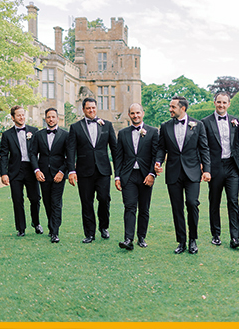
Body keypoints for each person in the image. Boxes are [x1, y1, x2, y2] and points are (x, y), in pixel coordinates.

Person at [154, 97, 210, 254]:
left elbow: (204, 148)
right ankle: (182, 241)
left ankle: (193, 239)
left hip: (193, 172)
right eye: (170, 107)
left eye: (173, 107)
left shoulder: (198, 125)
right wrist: (158, 162)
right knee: (176, 208)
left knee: (192, 203)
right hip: (173, 173)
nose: (170, 109)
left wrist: (206, 170)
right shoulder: (165, 126)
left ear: (183, 108)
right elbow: (161, 148)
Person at [66, 97, 117, 242]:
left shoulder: (106, 125)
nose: (91, 110)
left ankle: (104, 227)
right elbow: (70, 150)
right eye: (88, 108)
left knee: (104, 199)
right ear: (83, 110)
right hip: (84, 171)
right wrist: (71, 170)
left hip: (103, 171)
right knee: (86, 202)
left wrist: (118, 171)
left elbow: (114, 148)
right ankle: (89, 233)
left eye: (93, 108)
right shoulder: (75, 127)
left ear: (97, 108)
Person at [113, 103, 159, 251]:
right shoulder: (123, 133)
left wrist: (152, 174)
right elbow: (118, 157)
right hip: (128, 175)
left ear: (143, 113)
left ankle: (141, 237)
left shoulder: (152, 132)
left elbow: (155, 155)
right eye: (132, 113)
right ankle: (128, 239)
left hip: (146, 175)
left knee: (144, 208)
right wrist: (117, 176)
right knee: (130, 207)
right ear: (129, 115)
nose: (135, 116)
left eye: (138, 113)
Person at [201, 92, 239, 248]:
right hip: (215, 167)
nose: (221, 105)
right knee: (215, 202)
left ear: (229, 104)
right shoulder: (205, 122)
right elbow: (203, 147)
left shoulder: (235, 120)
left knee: (233, 201)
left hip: (231, 167)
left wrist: (238, 164)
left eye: (224, 103)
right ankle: (216, 234)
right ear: (214, 103)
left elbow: (236, 144)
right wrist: (205, 168)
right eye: (219, 102)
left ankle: (236, 237)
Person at [0, 105, 43, 237]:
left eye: (23, 114)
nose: (22, 117)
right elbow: (4, 155)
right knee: (17, 200)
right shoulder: (7, 135)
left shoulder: (34, 131)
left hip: (31, 169)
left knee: (35, 198)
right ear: (13, 117)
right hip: (15, 171)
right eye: (18, 115)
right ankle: (21, 228)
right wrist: (4, 173)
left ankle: (36, 222)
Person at [28, 107, 68, 243]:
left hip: (59, 174)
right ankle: (52, 228)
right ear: (45, 119)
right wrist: (37, 170)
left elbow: (69, 156)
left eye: (53, 117)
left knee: (56, 203)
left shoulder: (65, 135)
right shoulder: (38, 135)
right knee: (47, 202)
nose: (51, 119)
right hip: (43, 175)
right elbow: (32, 154)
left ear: (58, 118)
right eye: (48, 117)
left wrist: (62, 171)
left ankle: (55, 232)